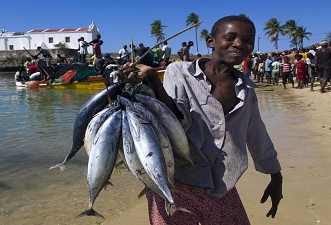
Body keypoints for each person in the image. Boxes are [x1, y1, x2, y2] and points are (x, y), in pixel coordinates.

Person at [119, 15, 282, 224]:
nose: (239, 44)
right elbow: (173, 120)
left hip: (221, 186)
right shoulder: (180, 72)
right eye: (230, 37)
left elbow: (257, 133)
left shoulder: (247, 90)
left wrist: (275, 175)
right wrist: (153, 80)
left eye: (247, 40)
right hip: (174, 184)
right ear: (210, 41)